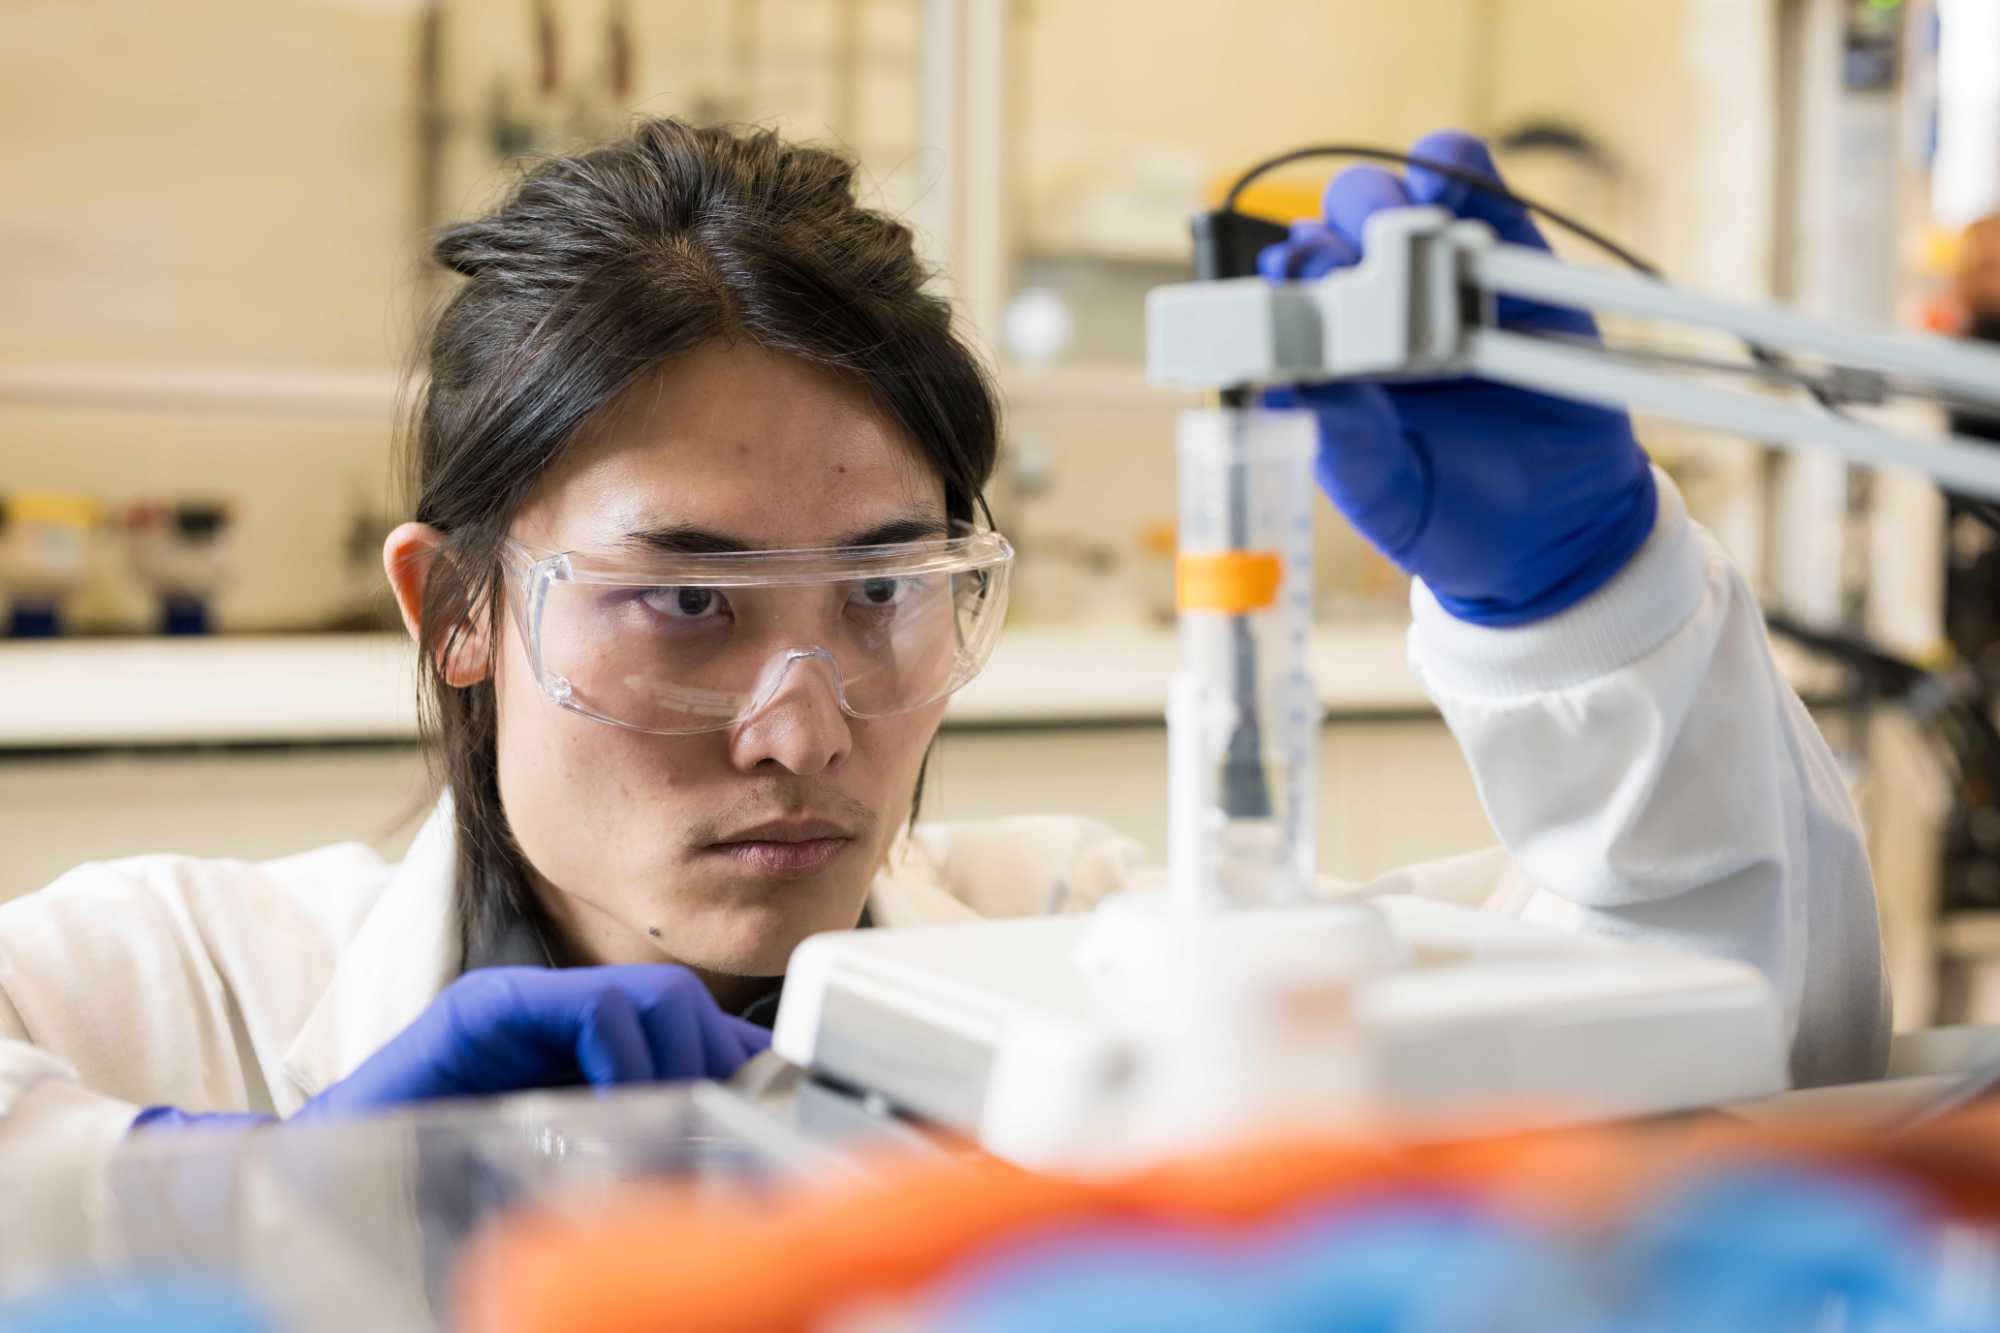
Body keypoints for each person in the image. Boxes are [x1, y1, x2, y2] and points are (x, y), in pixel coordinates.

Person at [0, 123, 1887, 1159]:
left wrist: (1582, 593)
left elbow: (1731, 1051)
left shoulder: (1078, 950)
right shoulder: (185, 991)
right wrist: (224, 1187)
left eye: (887, 592)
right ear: (460, 608)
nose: (802, 732)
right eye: (688, 603)